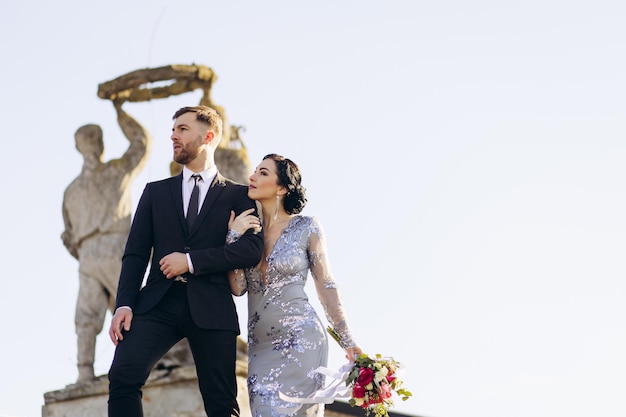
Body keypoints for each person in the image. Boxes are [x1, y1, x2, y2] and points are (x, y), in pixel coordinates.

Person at [107, 105, 263, 417]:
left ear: (208, 136)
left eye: (182, 129)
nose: (173, 135)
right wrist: (124, 303)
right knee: (122, 377)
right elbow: (136, 254)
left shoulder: (239, 195)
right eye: (174, 129)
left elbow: (251, 250)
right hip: (156, 304)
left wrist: (190, 261)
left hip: (212, 305)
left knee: (222, 403)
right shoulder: (155, 193)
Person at [226, 153, 363, 417]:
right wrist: (233, 237)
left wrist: (348, 341)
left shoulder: (307, 227)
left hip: (303, 341)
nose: (252, 177)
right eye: (255, 171)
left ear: (282, 187)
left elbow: (327, 286)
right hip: (261, 350)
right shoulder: (247, 230)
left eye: (263, 173)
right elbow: (238, 287)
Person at [61, 99, 151, 383]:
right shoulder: (115, 171)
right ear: (100, 144)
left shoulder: (71, 191)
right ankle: (150, 363)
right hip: (116, 249)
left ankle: (84, 373)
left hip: (87, 255)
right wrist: (120, 112)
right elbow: (142, 144)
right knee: (135, 308)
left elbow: (68, 236)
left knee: (87, 317)